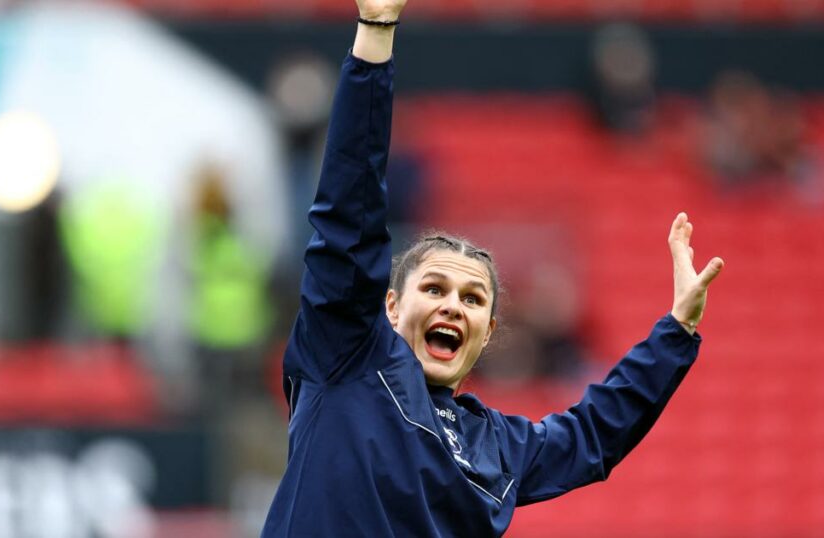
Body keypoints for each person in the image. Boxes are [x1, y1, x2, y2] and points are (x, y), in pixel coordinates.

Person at [261, 1, 725, 536]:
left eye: (474, 299)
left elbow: (593, 436)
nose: (453, 305)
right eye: (434, 287)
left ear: (487, 334)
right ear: (390, 306)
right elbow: (349, 212)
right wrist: (375, 34)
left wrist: (678, 330)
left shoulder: (497, 446)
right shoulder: (346, 360)